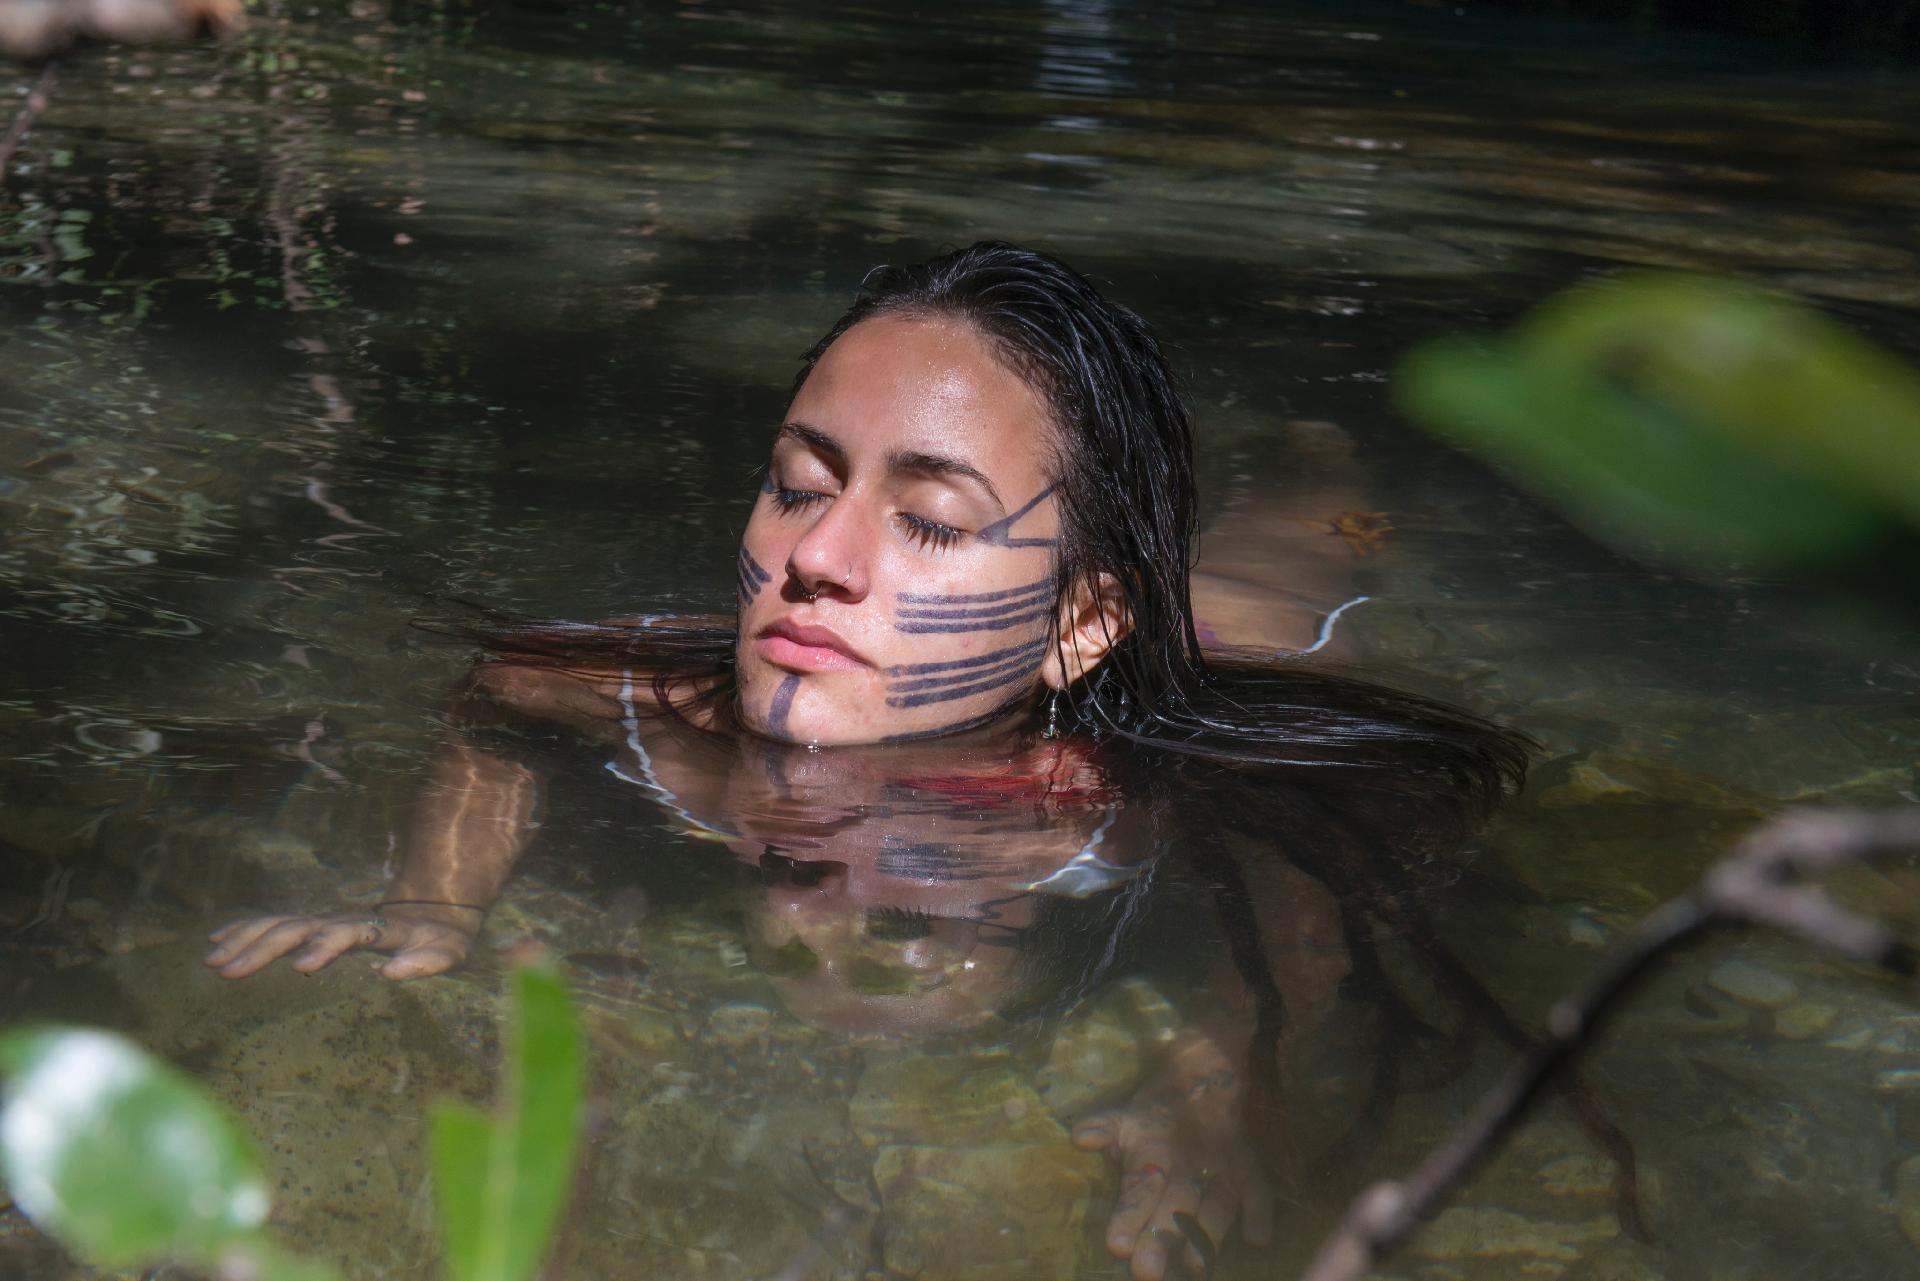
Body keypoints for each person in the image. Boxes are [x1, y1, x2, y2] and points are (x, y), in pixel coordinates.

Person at [206, 242, 1529, 1279]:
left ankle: (1324, 463)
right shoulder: (665, 710)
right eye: (799, 482)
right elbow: (497, 697)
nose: (817, 559)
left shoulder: (1112, 786)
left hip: (1249, 638)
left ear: (1081, 626)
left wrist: (1220, 1068)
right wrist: (431, 904)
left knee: (1304, 545)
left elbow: (1352, 830)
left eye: (931, 523)